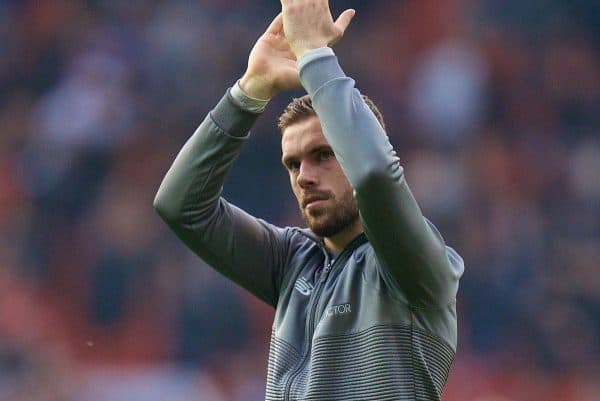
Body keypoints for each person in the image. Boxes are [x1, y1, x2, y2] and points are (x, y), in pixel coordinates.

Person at [154, 1, 464, 400]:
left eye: (323, 155)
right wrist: (249, 90)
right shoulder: (291, 262)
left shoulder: (416, 266)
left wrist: (317, 57)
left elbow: (373, 174)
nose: (304, 176)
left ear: (354, 149)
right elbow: (182, 206)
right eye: (292, 163)